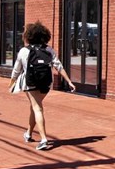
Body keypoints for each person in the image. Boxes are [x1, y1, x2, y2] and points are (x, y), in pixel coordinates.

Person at [9, 20, 76, 150]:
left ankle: (44, 139)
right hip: (46, 83)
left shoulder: (24, 51)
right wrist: (69, 81)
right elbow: (59, 66)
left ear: (28, 36)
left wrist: (12, 82)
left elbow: (16, 70)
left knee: (37, 108)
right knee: (34, 107)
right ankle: (28, 133)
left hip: (31, 83)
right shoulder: (49, 50)